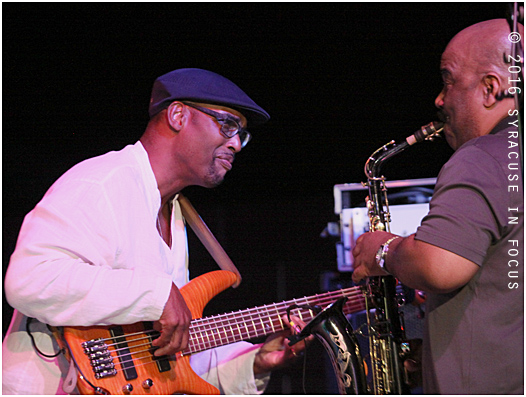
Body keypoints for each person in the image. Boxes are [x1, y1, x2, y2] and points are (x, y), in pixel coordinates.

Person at [2, 68, 306, 395]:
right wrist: (154, 294)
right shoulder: (102, 183)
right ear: (178, 115)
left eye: (241, 134)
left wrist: (253, 362)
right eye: (228, 125)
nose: (236, 144)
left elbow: (161, 346)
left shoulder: (175, 212)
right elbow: (29, 280)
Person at [351, 19, 523, 394]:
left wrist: (382, 249)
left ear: (491, 88)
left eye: (448, 80)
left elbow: (438, 265)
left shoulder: (482, 156)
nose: (440, 99)